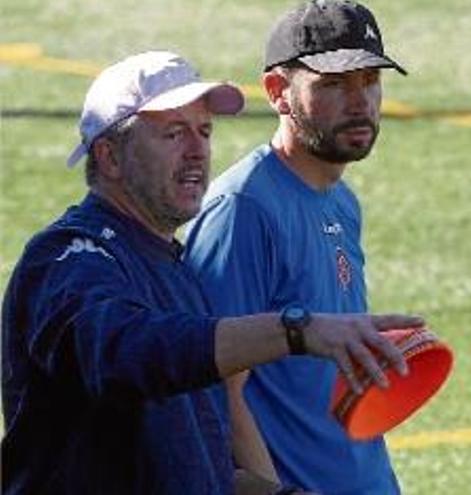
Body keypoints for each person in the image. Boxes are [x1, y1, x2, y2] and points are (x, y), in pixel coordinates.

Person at [1, 50, 421, 494]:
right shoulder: (69, 259)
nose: (198, 151)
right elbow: (129, 351)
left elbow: (196, 464)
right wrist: (296, 330)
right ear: (110, 157)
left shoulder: (173, 269)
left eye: (204, 131)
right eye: (173, 134)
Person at [183, 1, 410, 493]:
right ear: (277, 92)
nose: (360, 102)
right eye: (332, 84)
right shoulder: (242, 209)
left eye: (370, 81)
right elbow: (216, 385)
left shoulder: (341, 201)